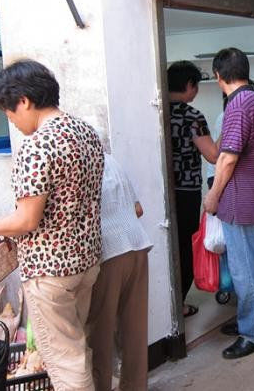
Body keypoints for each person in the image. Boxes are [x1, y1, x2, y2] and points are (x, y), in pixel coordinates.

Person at [0, 59, 104, 390]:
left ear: (24, 101)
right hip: (85, 261)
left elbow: (27, 219)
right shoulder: (85, 132)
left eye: (9, 111)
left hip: (50, 272)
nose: (11, 120)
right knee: (76, 349)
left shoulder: (37, 145)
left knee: (64, 361)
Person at [203, 48, 254, 359]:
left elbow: (227, 157)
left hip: (239, 197)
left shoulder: (239, 105)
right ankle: (250, 320)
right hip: (251, 193)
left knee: (245, 269)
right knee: (249, 264)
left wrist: (213, 195)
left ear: (219, 76)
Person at [87, 154, 153, 391]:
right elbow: (138, 209)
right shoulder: (111, 160)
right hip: (137, 245)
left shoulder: (76, 162)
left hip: (108, 253)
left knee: (99, 336)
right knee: (134, 330)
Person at [168, 61, 218, 318]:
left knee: (166, 246)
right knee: (186, 245)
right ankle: (180, 304)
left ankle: (167, 307)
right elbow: (212, 154)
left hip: (161, 191)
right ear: (189, 85)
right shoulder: (192, 116)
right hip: (186, 191)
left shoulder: (156, 113)